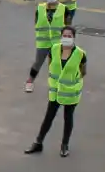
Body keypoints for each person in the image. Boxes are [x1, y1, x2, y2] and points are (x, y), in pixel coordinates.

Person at [24, 26, 85, 158]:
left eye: (70, 36)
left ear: (74, 38)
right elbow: (51, 65)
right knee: (48, 117)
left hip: (70, 92)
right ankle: (38, 142)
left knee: (68, 118)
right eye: (65, 35)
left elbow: (82, 72)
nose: (67, 38)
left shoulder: (80, 54)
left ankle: (64, 145)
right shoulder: (54, 49)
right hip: (56, 91)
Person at [24, 0, 67, 93]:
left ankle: (56, 84)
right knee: (38, 62)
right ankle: (30, 81)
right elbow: (36, 22)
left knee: (56, 64)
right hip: (43, 42)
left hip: (57, 42)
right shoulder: (40, 8)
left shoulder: (63, 9)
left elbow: (67, 26)